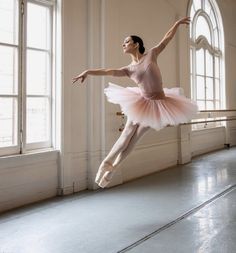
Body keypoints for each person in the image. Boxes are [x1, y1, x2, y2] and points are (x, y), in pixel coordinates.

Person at [72, 17, 198, 188]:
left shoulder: (151, 54)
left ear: (136, 44)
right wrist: (87, 71)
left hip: (159, 104)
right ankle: (106, 164)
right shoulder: (128, 69)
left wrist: (176, 24)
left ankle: (112, 168)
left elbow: (166, 38)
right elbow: (107, 71)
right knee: (126, 135)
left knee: (134, 139)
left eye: (127, 42)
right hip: (142, 102)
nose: (123, 45)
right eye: (123, 43)